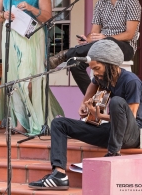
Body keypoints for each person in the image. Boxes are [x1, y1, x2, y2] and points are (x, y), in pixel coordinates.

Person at [28, 39, 142, 190]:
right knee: (59, 123)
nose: (94, 73)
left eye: (97, 68)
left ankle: (113, 154)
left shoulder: (131, 81)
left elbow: (131, 117)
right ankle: (59, 175)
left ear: (110, 65)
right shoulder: (104, 77)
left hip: (133, 135)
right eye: (92, 69)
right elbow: (93, 84)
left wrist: (100, 117)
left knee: (117, 102)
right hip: (112, 131)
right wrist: (84, 103)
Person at [0, 0, 64, 135]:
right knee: (14, 81)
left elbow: (47, 17)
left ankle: (39, 120)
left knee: (28, 82)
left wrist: (31, 9)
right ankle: (20, 123)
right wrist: (4, 15)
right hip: (11, 36)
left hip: (31, 37)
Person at [49, 0, 141, 95]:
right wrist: (87, 39)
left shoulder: (131, 1)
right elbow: (94, 33)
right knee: (74, 63)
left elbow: (130, 34)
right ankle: (94, 98)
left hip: (124, 47)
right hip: (102, 46)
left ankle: (65, 54)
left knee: (107, 41)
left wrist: (106, 37)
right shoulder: (100, 3)